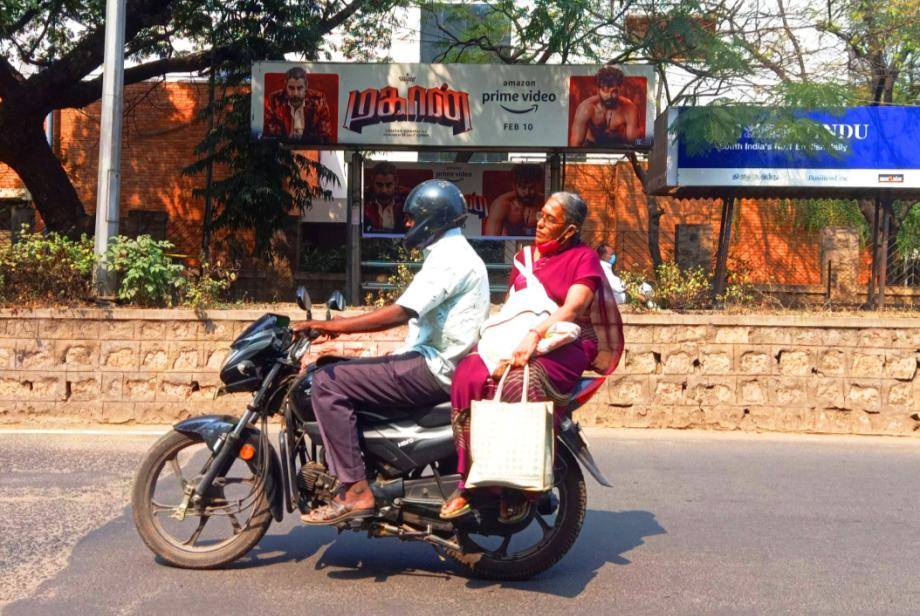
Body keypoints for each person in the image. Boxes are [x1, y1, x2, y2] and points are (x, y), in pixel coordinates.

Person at [293, 180, 490, 526]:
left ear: (435, 218)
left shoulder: (450, 258)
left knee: (326, 382)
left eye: (414, 219)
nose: (409, 226)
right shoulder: (451, 254)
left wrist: (335, 327)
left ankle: (356, 490)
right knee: (338, 367)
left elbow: (401, 312)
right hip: (433, 361)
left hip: (434, 368)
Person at [440, 192, 624, 520]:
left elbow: (574, 307)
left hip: (567, 341)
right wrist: (494, 340)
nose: (539, 222)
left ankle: (517, 484)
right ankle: (468, 478)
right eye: (541, 215)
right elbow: (515, 306)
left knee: (519, 381)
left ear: (569, 231)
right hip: (520, 336)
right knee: (468, 373)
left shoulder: (584, 258)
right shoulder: (524, 257)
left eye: (550, 219)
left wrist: (535, 334)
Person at [568, 66, 641, 147]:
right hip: (590, 147)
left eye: (614, 91)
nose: (609, 95)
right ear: (598, 89)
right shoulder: (585, 108)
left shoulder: (629, 109)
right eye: (605, 90)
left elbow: (634, 141)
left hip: (618, 148)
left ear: (620, 89)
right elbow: (575, 144)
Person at [264, 66, 334, 143]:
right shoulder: (274, 100)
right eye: (291, 88)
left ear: (306, 86)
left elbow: (325, 135)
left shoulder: (318, 100)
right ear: (285, 85)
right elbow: (272, 136)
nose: (295, 94)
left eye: (300, 88)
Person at [484, 164, 545, 236]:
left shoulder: (545, 203)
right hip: (509, 246)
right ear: (514, 185)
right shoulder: (502, 205)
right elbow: (491, 240)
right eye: (523, 187)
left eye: (531, 188)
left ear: (538, 185)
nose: (527, 192)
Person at [363, 162, 407, 233]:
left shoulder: (407, 199)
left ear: (396, 183)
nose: (384, 190)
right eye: (379, 185)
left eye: (388, 185)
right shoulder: (363, 199)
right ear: (372, 183)